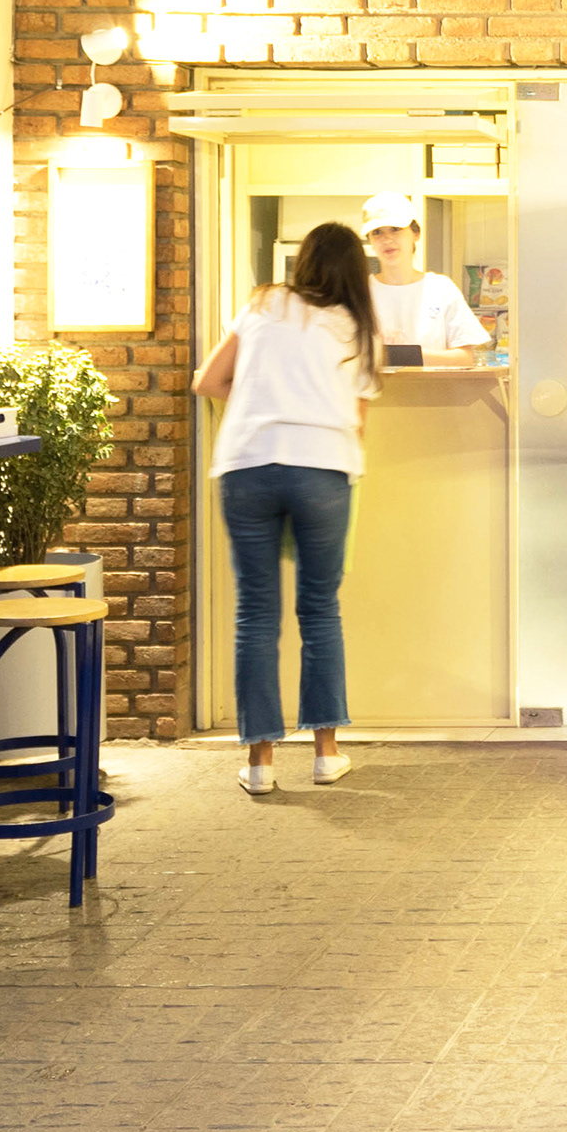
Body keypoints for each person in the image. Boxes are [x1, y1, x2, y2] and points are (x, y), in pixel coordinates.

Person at [195, 220, 382, 793]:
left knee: (256, 612)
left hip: (247, 464)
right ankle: (326, 754)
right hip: (322, 467)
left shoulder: (263, 304)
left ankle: (259, 764)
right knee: (319, 609)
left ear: (303, 262)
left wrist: (259, 405)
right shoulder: (359, 328)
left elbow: (208, 381)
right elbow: (358, 422)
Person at [358, 190, 493, 368]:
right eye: (377, 232)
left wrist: (402, 355)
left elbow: (465, 358)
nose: (387, 239)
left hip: (433, 386)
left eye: (395, 229)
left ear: (416, 233)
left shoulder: (441, 288)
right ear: (369, 240)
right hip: (376, 387)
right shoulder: (359, 292)